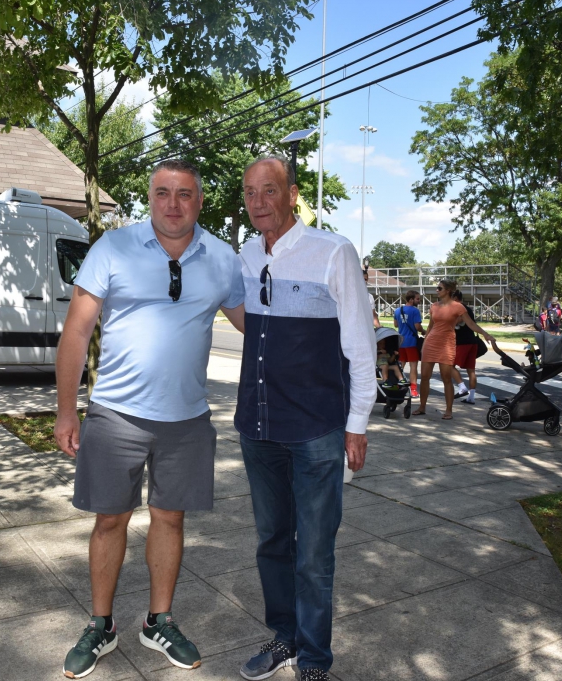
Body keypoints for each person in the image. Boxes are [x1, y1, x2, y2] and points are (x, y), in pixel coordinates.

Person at [53, 159, 246, 679]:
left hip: (188, 419)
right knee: (109, 519)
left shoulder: (223, 258)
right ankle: (100, 625)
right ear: (149, 197)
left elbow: (254, 325)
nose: (173, 204)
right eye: (163, 192)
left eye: (184, 194)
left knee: (170, 519)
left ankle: (158, 621)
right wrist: (67, 410)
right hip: (115, 414)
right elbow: (76, 332)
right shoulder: (113, 248)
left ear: (200, 201)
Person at [235, 155, 374, 681]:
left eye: (269, 190)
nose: (258, 202)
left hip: (317, 429)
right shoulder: (245, 255)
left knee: (314, 554)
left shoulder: (332, 251)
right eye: (250, 192)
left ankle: (314, 658)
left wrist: (357, 423)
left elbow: (359, 343)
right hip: (259, 427)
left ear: (292, 194)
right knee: (272, 543)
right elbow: (247, 318)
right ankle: (285, 637)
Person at [413, 280, 494, 420]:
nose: (437, 290)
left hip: (447, 344)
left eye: (439, 288)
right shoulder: (434, 306)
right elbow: (431, 326)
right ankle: (422, 407)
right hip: (431, 343)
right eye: (437, 288)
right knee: (425, 377)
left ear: (448, 290)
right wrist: (424, 343)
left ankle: (449, 410)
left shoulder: (458, 307)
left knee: (446, 378)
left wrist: (485, 334)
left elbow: (471, 324)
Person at [449, 290, 479, 405]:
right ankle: (471, 397)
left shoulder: (460, 309)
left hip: (462, 342)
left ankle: (462, 387)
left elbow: (455, 322)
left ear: (455, 298)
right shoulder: (469, 309)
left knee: (449, 365)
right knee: (471, 370)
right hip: (472, 341)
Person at [393, 290, 425, 397]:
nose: (419, 301)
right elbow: (417, 326)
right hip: (411, 341)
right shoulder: (415, 311)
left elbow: (396, 324)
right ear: (411, 300)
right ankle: (413, 389)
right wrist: (423, 331)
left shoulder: (398, 310)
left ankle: (398, 386)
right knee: (413, 366)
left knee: (400, 365)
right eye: (417, 299)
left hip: (400, 341)